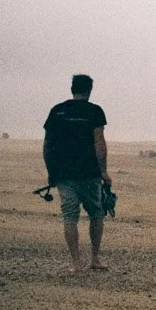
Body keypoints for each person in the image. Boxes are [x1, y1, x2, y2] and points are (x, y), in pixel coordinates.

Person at [43, 74, 111, 273]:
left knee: (70, 217)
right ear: (89, 90)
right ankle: (95, 258)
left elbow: (47, 145)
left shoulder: (57, 111)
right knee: (96, 214)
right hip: (89, 172)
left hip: (63, 173)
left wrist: (51, 172)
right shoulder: (95, 111)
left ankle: (76, 263)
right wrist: (104, 171)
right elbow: (99, 142)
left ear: (72, 89)